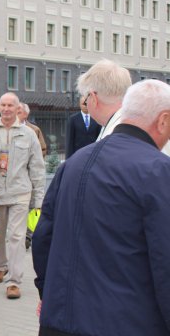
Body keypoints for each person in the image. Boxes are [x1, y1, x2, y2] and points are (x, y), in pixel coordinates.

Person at [32, 79, 170, 336]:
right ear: (163, 120)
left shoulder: (72, 164)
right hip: (126, 323)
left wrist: (48, 293)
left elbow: (43, 238)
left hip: (59, 319)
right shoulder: (158, 171)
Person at [0, 92, 45, 299]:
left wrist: (39, 199)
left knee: (16, 237)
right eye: (3, 105)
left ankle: (14, 281)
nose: (6, 109)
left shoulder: (29, 134)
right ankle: (0, 266)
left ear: (18, 109)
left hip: (20, 193)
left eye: (11, 105)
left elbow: (37, 168)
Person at [75, 59, 132, 141]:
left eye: (86, 99)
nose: (86, 104)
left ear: (93, 98)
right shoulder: (139, 126)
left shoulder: (112, 139)